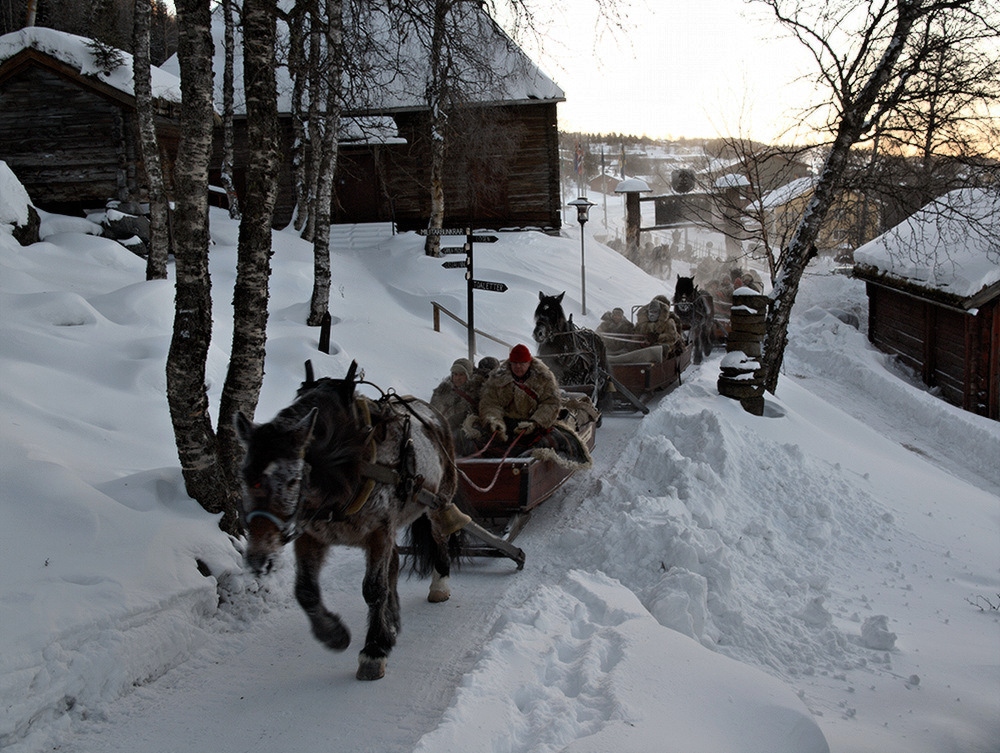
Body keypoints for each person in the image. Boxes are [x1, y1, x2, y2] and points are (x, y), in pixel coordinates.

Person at [478, 344, 561, 443]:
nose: (517, 366)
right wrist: (495, 421)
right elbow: (490, 403)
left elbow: (551, 403)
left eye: (522, 363)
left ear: (529, 363)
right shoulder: (497, 379)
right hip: (505, 424)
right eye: (514, 363)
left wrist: (535, 422)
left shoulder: (544, 379)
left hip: (534, 426)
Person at [430, 357, 480, 435]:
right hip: (438, 431)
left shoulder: (475, 393)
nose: (457, 378)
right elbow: (432, 413)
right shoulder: (442, 391)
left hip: (461, 435)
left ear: (468, 375)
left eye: (461, 375)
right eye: (455, 374)